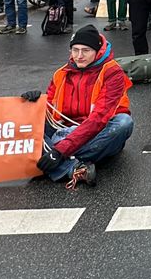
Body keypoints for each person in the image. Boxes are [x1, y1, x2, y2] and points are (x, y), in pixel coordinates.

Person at [25, 25, 133, 188]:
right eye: (75, 50)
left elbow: (98, 120)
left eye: (86, 50)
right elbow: (48, 110)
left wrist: (60, 150)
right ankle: (72, 168)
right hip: (64, 130)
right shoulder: (61, 73)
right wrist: (34, 102)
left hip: (97, 133)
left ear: (97, 51)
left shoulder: (112, 72)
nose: (79, 56)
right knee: (27, 126)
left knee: (124, 123)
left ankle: (54, 159)